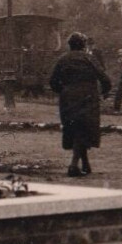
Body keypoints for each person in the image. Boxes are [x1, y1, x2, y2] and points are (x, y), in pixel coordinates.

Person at [49, 32, 111, 177]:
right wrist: (104, 91)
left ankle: (85, 164)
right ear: (83, 45)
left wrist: (63, 91)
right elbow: (104, 78)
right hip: (88, 97)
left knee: (75, 128)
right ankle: (73, 165)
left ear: (69, 45)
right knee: (84, 129)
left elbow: (52, 81)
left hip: (68, 98)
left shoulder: (62, 59)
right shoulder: (89, 58)